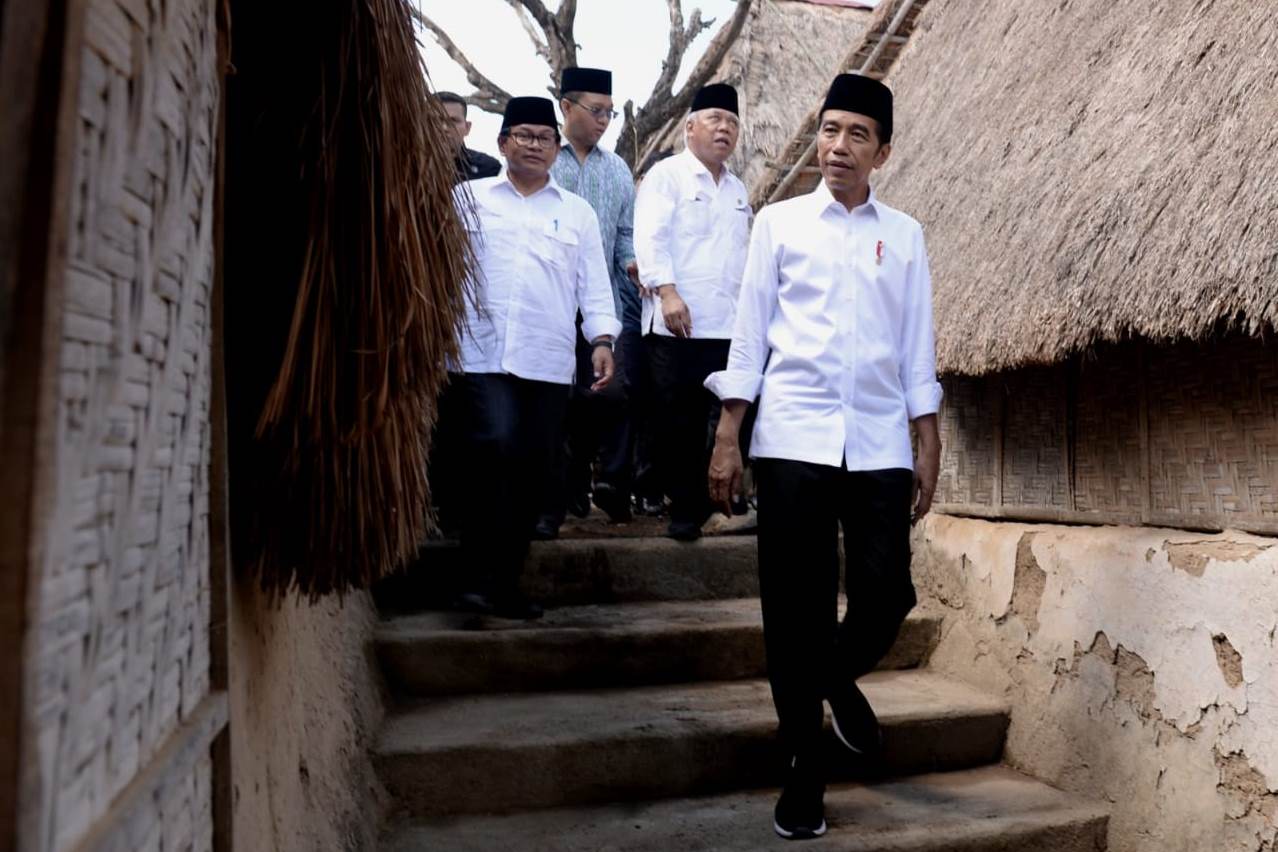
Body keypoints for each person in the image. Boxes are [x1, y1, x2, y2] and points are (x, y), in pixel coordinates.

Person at [705, 74, 943, 840]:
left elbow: (916, 345)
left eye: (857, 135)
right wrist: (727, 431)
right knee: (795, 610)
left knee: (887, 595)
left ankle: (835, 680)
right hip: (794, 438)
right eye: (830, 130)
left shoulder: (903, 234)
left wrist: (928, 433)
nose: (838, 147)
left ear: (884, 151)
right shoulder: (777, 224)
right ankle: (804, 770)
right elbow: (750, 331)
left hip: (877, 440)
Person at [448, 96, 619, 620]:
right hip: (479, 354)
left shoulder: (576, 213)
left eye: (543, 138)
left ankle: (504, 585)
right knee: (492, 448)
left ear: (555, 147)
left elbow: (594, 286)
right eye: (522, 135)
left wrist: (603, 341)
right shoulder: (467, 199)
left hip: (545, 361)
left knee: (532, 471)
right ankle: (474, 583)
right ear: (501, 144)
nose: (533, 145)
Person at [634, 83, 751, 541]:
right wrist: (667, 292)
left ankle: (715, 503)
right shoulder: (667, 176)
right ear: (690, 127)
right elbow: (650, 239)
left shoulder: (738, 188)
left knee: (725, 418)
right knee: (677, 419)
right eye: (715, 118)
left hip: (727, 325)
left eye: (732, 122)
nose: (725, 128)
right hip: (676, 324)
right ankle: (683, 509)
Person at [534, 67, 640, 537]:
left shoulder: (616, 170)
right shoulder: (541, 163)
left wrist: (636, 272)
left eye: (609, 113)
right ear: (566, 107)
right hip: (551, 306)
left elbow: (624, 240)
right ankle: (555, 498)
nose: (603, 121)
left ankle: (595, 474)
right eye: (595, 111)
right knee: (553, 403)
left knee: (611, 392)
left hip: (603, 307)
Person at [438, 91, 501, 182]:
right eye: (435, 120)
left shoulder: (488, 168)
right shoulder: (411, 165)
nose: (444, 128)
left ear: (467, 127)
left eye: (453, 121)